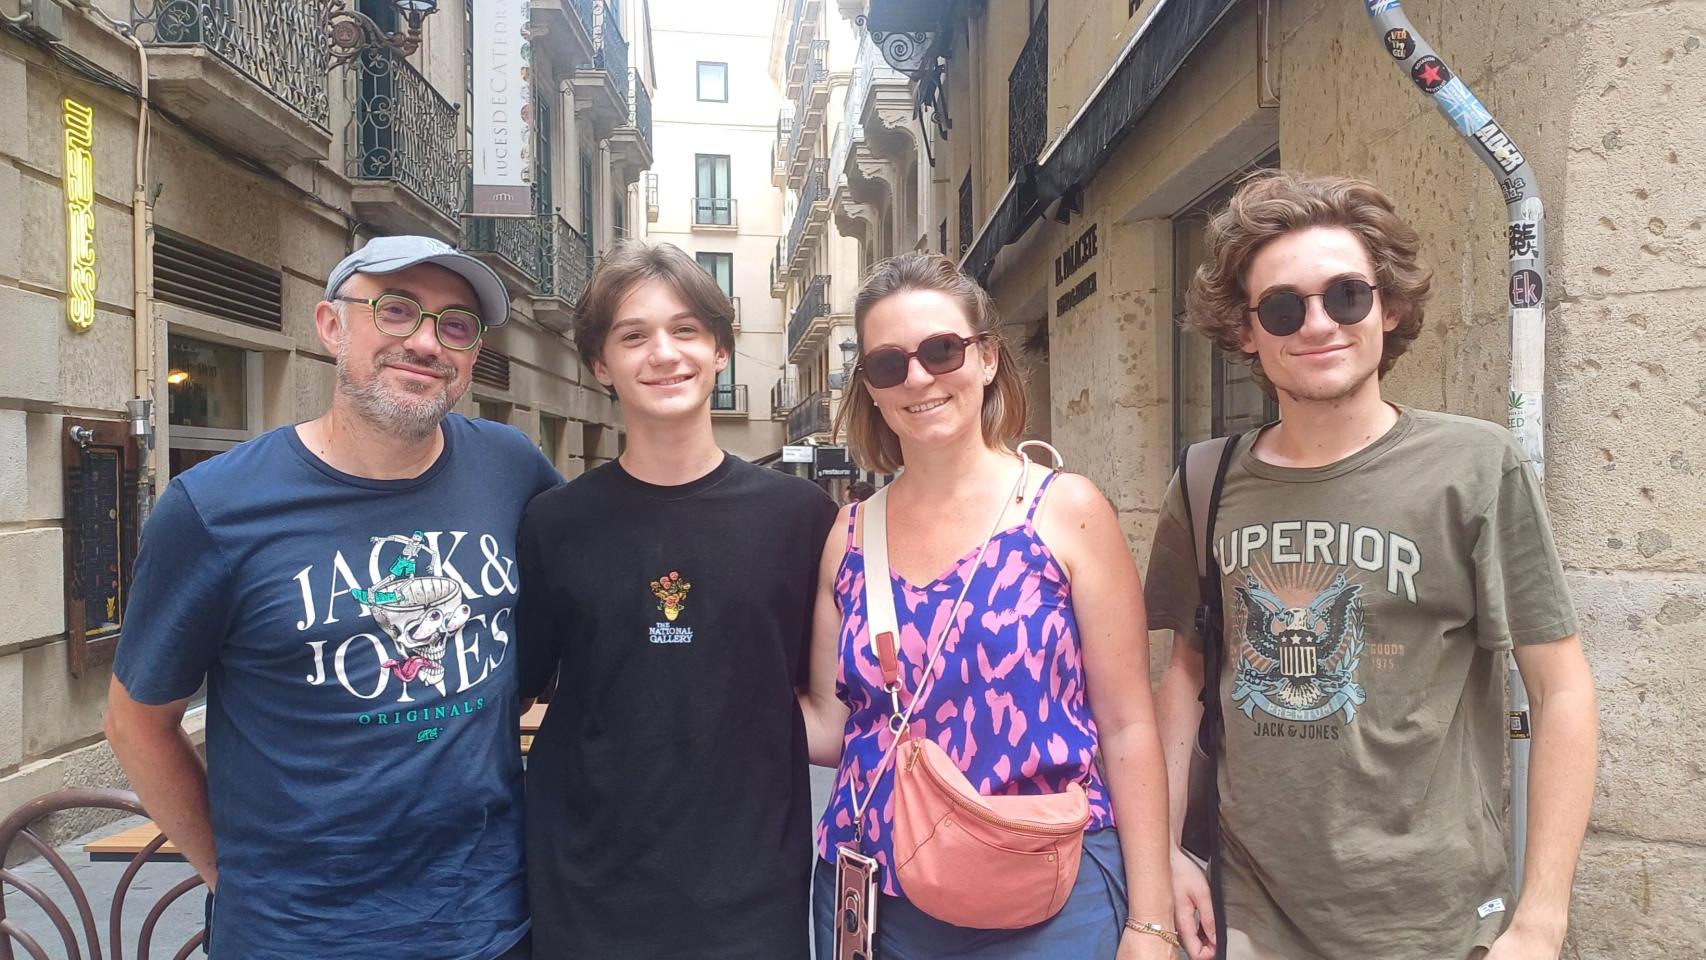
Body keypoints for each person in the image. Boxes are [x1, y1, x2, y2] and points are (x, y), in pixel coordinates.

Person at [1146, 171, 1598, 960]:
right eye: (1283, 307)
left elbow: (1561, 690)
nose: (1317, 324)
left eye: (1346, 296)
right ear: (1246, 332)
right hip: (1248, 910)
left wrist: (1541, 918)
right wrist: (1164, 855)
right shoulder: (1204, 482)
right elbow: (1183, 679)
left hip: (1429, 920)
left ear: (1388, 308)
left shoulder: (1474, 466)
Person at [106, 236, 560, 960]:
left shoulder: (512, 469)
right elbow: (136, 724)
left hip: (490, 925)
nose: (425, 342)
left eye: (455, 325)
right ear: (330, 326)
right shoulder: (214, 509)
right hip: (299, 939)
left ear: (473, 356)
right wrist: (236, 877)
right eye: (396, 309)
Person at [798, 253, 1178, 959]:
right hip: (876, 900)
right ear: (871, 391)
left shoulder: (1065, 511)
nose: (919, 378)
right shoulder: (848, 535)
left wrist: (1150, 921)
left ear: (987, 359)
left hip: (1048, 896)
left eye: (941, 350)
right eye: (889, 365)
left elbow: (1127, 725)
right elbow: (830, 722)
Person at [514, 241, 837, 959]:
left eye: (686, 330)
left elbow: (831, 709)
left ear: (720, 350)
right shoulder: (554, 522)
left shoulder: (801, 518)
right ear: (601, 364)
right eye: (634, 335)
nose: (664, 353)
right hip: (586, 885)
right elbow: (520, 688)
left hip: (752, 891)